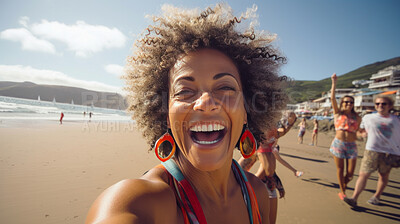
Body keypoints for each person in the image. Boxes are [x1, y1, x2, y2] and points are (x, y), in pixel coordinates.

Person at [86, 3, 288, 224]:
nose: (206, 102)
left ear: (247, 110)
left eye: (225, 87)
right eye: (184, 91)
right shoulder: (139, 203)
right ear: (166, 114)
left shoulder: (258, 194)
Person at [238, 111, 302, 224]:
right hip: (260, 188)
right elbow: (241, 172)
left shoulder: (270, 147)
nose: (274, 131)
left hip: (269, 186)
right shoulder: (257, 148)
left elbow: (270, 170)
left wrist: (291, 123)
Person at [344, 95, 400, 207]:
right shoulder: (368, 118)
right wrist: (362, 134)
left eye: (383, 104)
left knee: (383, 176)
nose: (380, 106)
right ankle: (354, 198)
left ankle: (377, 196)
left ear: (389, 106)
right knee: (363, 174)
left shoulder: (396, 120)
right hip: (371, 151)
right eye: (377, 104)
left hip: (390, 153)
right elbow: (359, 131)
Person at [329, 73, 361, 201]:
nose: (349, 103)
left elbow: (357, 131)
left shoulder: (357, 117)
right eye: (346, 101)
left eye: (351, 102)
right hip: (339, 144)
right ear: (342, 103)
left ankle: (344, 185)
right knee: (340, 169)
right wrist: (334, 82)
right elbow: (332, 99)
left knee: (350, 173)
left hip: (352, 146)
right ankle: (343, 192)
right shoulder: (337, 113)